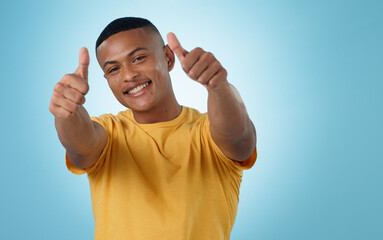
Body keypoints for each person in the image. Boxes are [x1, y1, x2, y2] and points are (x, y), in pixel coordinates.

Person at [49, 17, 257, 240]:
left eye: (138, 58)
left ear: (167, 58)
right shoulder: (109, 132)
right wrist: (67, 112)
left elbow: (239, 139)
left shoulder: (207, 132)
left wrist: (219, 87)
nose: (128, 75)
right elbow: (80, 147)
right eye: (113, 69)